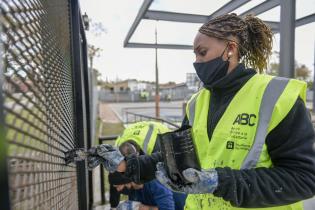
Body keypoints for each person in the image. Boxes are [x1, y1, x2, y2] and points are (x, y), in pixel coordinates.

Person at [88, 13, 315, 210]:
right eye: (195, 54)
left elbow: (304, 178)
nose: (196, 62)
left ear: (231, 49)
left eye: (202, 52)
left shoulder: (275, 97)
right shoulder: (197, 103)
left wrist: (220, 182)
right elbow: (176, 160)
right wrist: (126, 164)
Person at [92, 121, 186, 210]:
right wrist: (113, 206)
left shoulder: (153, 156)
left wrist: (145, 208)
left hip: (166, 142)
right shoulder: (118, 154)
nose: (118, 189)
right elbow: (115, 179)